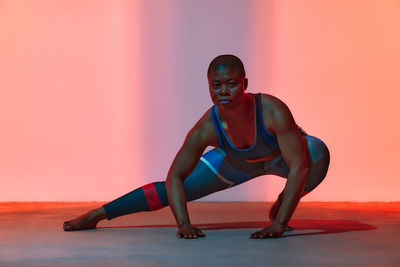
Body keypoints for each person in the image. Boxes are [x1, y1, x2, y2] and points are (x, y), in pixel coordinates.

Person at [63, 54, 330, 239]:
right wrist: (184, 224)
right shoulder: (206, 128)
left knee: (317, 152)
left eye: (231, 84)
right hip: (237, 164)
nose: (223, 91)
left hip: (280, 158)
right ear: (209, 87)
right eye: (216, 85)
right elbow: (174, 177)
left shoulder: (272, 110)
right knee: (173, 190)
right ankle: (97, 214)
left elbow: (299, 166)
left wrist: (281, 224)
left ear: (245, 84)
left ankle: (283, 203)